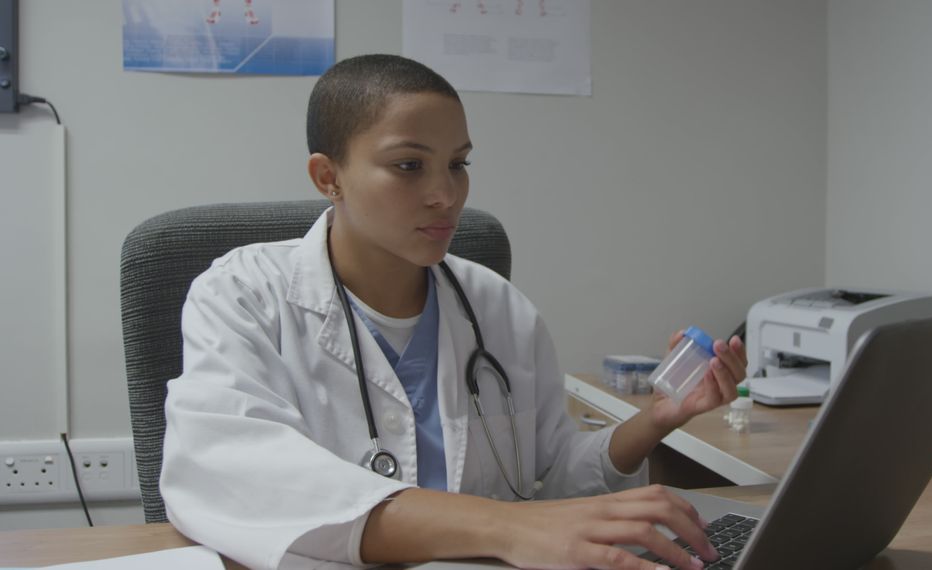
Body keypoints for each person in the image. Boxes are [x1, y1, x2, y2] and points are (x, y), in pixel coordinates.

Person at [160, 54, 748, 570]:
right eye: (410, 165)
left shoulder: (496, 307)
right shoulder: (243, 295)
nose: (447, 194)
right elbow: (238, 477)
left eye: (458, 163)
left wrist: (658, 419)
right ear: (328, 177)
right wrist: (509, 529)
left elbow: (555, 478)